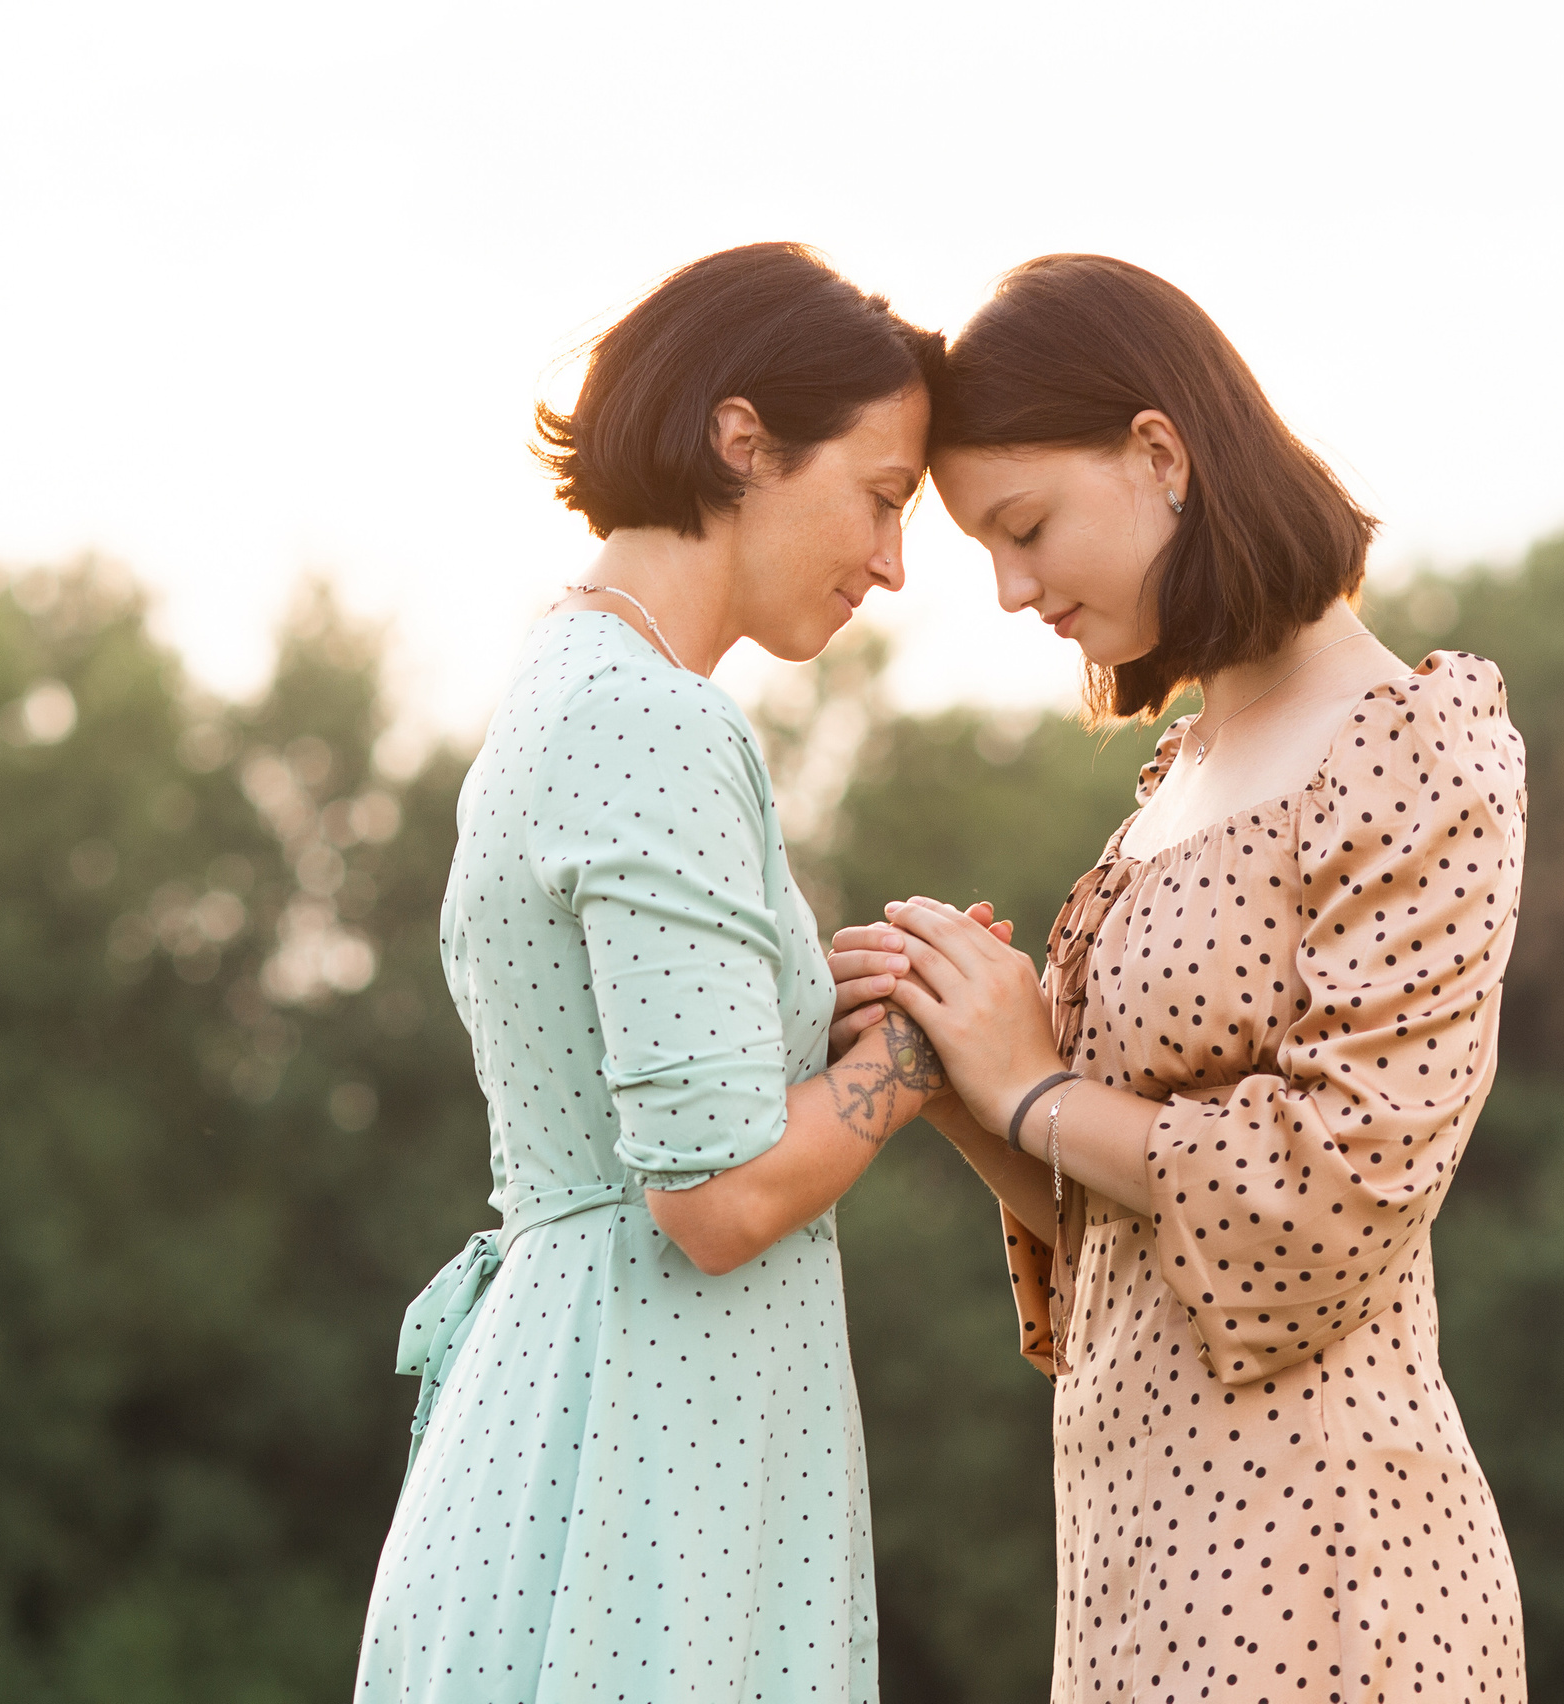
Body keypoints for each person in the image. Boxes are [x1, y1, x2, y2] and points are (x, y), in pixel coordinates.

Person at [831, 256, 1531, 1703]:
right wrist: (960, 1070)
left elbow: (1332, 1197)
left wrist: (1033, 1087)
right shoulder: (1187, 768)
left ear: (1160, 454)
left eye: (1025, 529)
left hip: (1327, 1568)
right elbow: (1124, 1240)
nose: (1014, 589)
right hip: (1133, 1562)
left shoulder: (1418, 750)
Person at [357, 242, 1000, 1704]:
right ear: (740, 435)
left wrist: (836, 1024)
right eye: (884, 496)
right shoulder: (645, 720)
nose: (895, 561)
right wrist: (917, 1053)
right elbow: (713, 1198)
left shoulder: (581, 685)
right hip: (641, 1452)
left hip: (635, 1422)